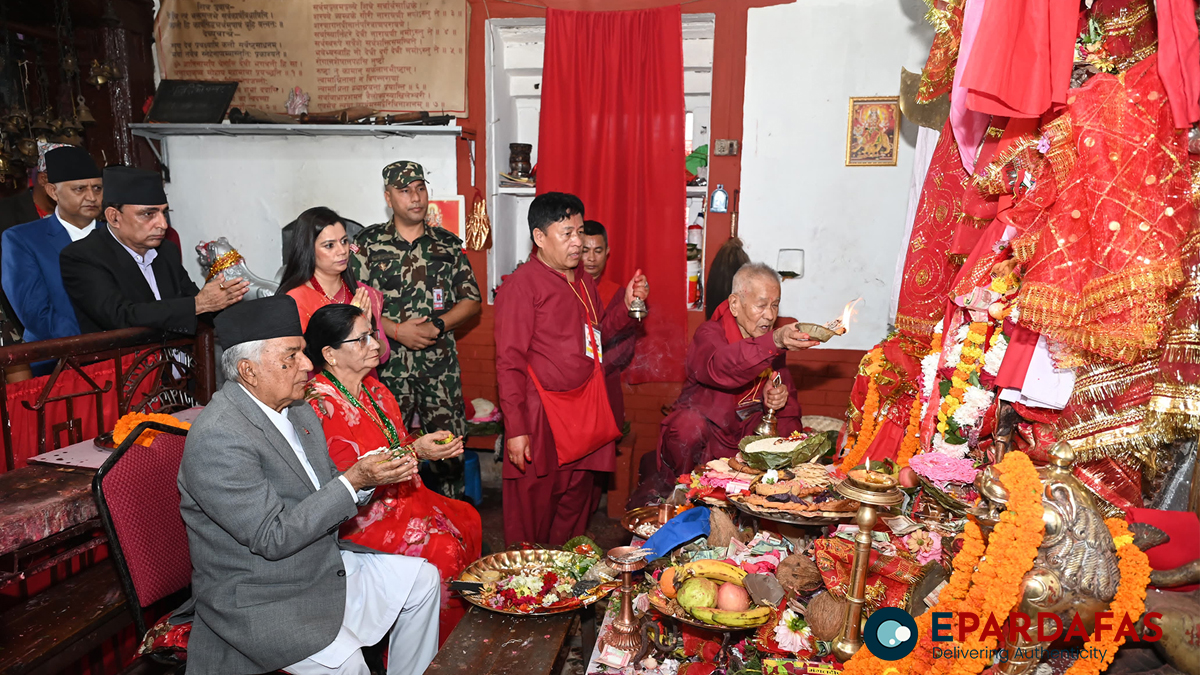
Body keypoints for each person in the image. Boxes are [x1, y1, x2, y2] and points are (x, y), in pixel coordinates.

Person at [176, 295, 440, 675]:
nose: (307, 364)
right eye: (292, 356)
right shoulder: (220, 436)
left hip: (318, 561)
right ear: (249, 371)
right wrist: (354, 481)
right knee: (348, 665)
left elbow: (327, 485)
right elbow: (272, 537)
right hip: (262, 592)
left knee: (423, 580)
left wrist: (367, 478)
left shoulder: (297, 408)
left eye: (303, 351)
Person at [303, 303, 481, 644]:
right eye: (362, 339)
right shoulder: (317, 404)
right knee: (443, 548)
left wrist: (424, 449)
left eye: (373, 334)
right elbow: (344, 475)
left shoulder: (376, 391)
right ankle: (428, 651)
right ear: (330, 353)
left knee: (468, 517)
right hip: (360, 517)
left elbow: (398, 446)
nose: (375, 345)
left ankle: (452, 639)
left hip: (402, 499)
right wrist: (418, 452)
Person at [494, 192, 648, 546]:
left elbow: (597, 337)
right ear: (539, 238)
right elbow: (509, 362)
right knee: (532, 507)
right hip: (541, 415)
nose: (578, 242)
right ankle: (528, 583)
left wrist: (625, 306)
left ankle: (564, 577)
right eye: (567, 233)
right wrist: (516, 428)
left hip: (584, 408)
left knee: (575, 503)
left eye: (579, 231)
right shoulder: (522, 287)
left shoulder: (581, 281)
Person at [629, 263, 817, 507]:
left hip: (746, 444)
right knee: (688, 426)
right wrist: (774, 341)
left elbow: (787, 405)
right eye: (761, 305)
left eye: (774, 304)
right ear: (735, 304)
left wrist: (777, 406)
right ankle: (682, 492)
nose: (770, 315)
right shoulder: (709, 334)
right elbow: (722, 368)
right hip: (706, 443)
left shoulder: (770, 346)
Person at [351, 160, 481, 500]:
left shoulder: (448, 245)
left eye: (420, 188)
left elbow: (472, 300)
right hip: (384, 368)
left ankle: (453, 523)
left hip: (439, 369)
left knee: (447, 449)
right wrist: (394, 330)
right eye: (405, 190)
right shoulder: (368, 244)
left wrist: (439, 325)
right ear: (388, 197)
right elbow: (352, 304)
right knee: (386, 447)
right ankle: (393, 525)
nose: (415, 197)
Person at [60, 166, 248, 334]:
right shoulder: (83, 257)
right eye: (148, 214)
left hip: (178, 365)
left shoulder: (166, 251)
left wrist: (229, 303)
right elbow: (120, 316)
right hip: (125, 369)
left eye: (163, 213)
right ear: (114, 217)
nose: (163, 224)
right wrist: (198, 305)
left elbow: (196, 301)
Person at [2, 146, 103, 342]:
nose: (91, 197)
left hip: (124, 358)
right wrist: (104, 338)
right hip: (57, 361)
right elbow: (36, 315)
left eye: (97, 188)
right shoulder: (23, 240)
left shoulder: (117, 236)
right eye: (80, 189)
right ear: (52, 191)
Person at [277, 206, 390, 365]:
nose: (342, 251)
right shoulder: (295, 300)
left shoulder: (362, 293)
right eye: (329, 245)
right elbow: (297, 362)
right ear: (308, 249)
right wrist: (350, 326)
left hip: (365, 387)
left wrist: (367, 332)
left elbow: (383, 354)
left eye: (344, 241)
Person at [581, 219, 640, 430]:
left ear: (607, 251)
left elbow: (626, 346)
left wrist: (595, 370)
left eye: (598, 250)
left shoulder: (619, 294)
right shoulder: (565, 289)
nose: (591, 258)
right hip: (570, 386)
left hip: (605, 382)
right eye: (585, 250)